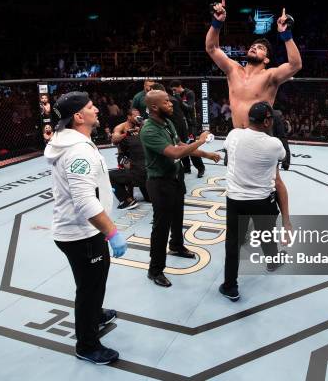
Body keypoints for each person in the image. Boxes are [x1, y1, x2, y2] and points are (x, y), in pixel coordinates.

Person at [44, 91, 128, 365]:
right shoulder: (78, 150)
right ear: (78, 116)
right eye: (92, 107)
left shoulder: (69, 141)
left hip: (81, 231)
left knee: (94, 279)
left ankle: (95, 315)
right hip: (82, 233)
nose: (97, 110)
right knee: (90, 287)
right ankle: (87, 345)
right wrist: (112, 232)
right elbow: (83, 202)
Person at [205, 0, 298, 237]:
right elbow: (212, 49)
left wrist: (285, 35)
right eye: (253, 46)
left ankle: (286, 222)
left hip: (261, 137)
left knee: (274, 181)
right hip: (237, 137)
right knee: (237, 184)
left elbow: (296, 64)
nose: (255, 48)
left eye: (261, 48)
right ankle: (242, 226)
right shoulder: (233, 69)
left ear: (266, 59)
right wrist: (217, 22)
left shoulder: (270, 76)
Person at [140, 90, 221, 287]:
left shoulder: (167, 123)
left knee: (178, 216)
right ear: (154, 107)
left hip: (175, 178)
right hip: (160, 183)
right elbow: (174, 153)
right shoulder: (149, 130)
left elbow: (180, 144)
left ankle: (176, 246)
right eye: (166, 102)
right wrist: (201, 140)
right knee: (160, 227)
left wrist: (205, 154)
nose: (171, 104)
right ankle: (155, 270)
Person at [221, 102, 288, 301]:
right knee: (266, 233)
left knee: (233, 242)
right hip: (261, 200)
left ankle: (230, 286)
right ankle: (273, 261)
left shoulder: (233, 135)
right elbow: (281, 159)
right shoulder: (274, 144)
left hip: (235, 199)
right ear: (267, 121)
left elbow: (230, 147)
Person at [152, 83, 206, 178]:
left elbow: (180, 118)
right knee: (181, 149)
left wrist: (182, 135)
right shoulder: (163, 102)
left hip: (184, 128)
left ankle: (200, 168)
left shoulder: (173, 100)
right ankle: (187, 167)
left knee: (189, 147)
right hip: (175, 129)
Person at [109, 108, 149, 209]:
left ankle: (145, 187)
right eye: (134, 115)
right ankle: (128, 197)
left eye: (138, 115)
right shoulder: (121, 127)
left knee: (148, 197)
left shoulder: (141, 125)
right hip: (125, 156)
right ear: (129, 117)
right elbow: (114, 139)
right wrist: (126, 133)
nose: (137, 117)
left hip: (140, 157)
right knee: (128, 166)